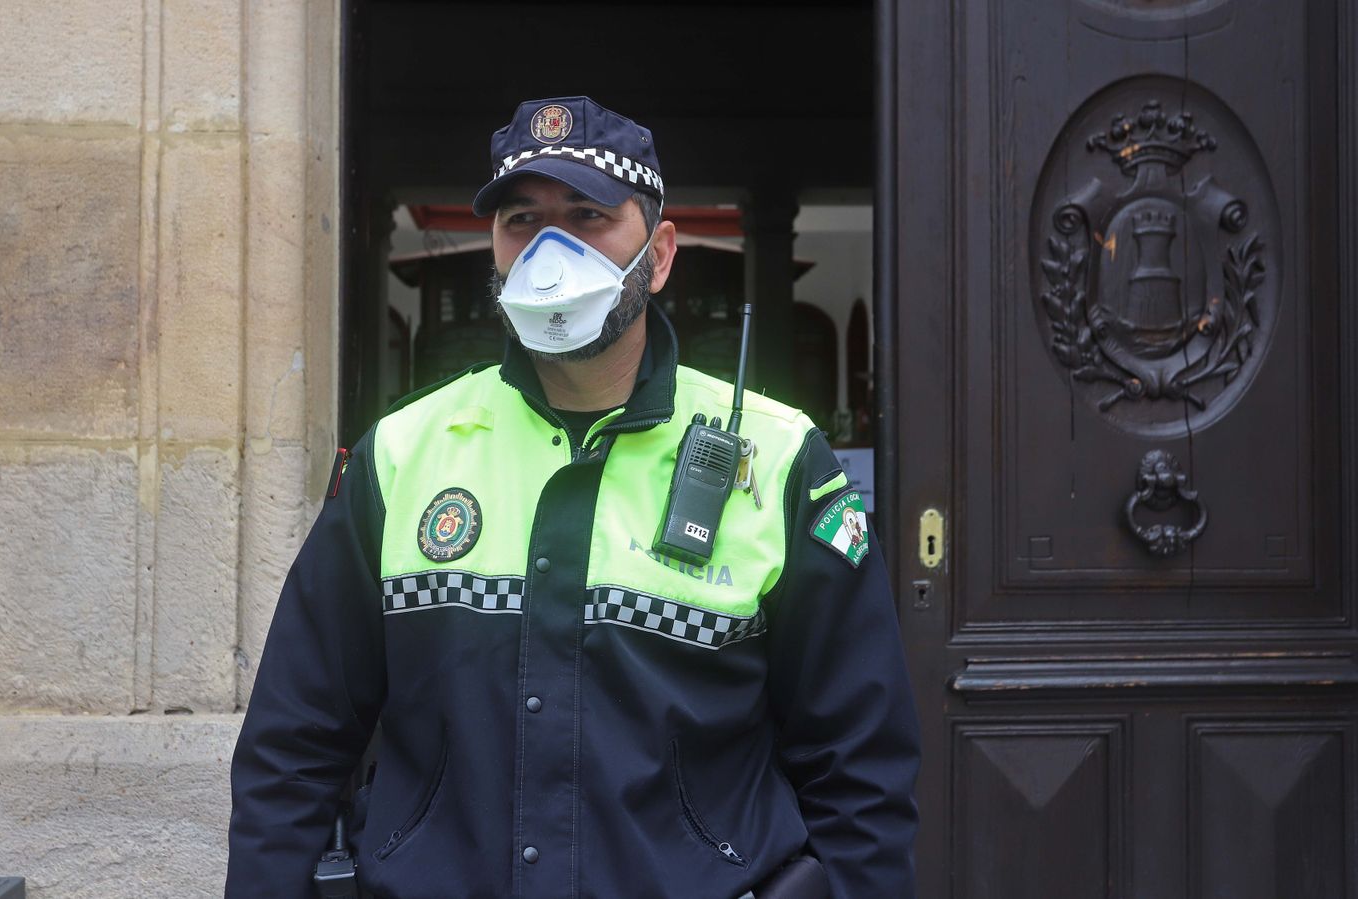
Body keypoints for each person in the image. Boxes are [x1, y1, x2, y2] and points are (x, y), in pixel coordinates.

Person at [228, 95, 920, 899]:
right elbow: (294, 740)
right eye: (522, 220)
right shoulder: (403, 453)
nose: (551, 250)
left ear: (658, 256)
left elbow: (862, 764)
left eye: (589, 216)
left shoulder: (781, 456)